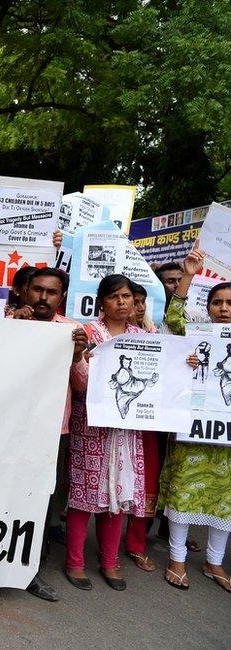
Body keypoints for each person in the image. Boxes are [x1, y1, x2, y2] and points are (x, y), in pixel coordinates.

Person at [9, 267, 89, 602]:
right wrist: (13, 328)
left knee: (40, 501)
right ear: (24, 290)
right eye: (37, 290)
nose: (43, 298)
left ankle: (30, 570)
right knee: (3, 494)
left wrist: (76, 356)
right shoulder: (7, 322)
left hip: (54, 431)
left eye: (51, 292)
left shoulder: (73, 332)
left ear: (62, 297)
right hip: (7, 428)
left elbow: (84, 387)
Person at [64, 274, 148, 592]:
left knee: (119, 495)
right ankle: (74, 562)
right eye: (114, 297)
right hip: (92, 426)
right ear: (102, 301)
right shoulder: (87, 333)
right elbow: (81, 383)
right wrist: (78, 358)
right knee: (85, 495)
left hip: (126, 429)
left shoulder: (143, 337)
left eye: (126, 296)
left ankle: (110, 562)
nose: (122, 302)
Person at [159, 247, 231, 591]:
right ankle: (176, 558)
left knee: (225, 497)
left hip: (227, 437)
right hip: (193, 429)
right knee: (184, 490)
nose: (224, 309)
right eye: (217, 303)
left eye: (230, 303)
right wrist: (187, 275)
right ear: (208, 307)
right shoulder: (197, 335)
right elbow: (173, 320)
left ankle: (215, 563)